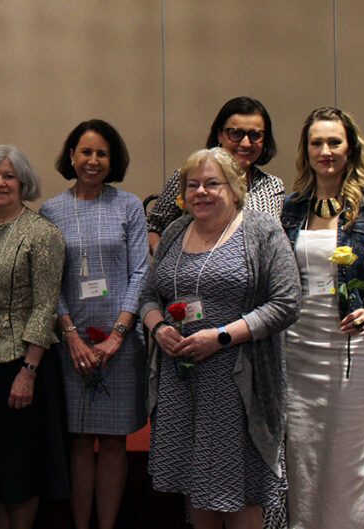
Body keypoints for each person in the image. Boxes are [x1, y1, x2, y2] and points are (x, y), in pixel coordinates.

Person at [139, 148, 299, 529]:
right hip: (182, 383)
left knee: (239, 494)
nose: (201, 192)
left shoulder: (261, 230)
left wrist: (222, 337)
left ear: (235, 187)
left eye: (213, 183)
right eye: (192, 185)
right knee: (197, 489)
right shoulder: (177, 231)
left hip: (238, 385)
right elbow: (148, 296)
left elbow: (287, 302)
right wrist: (159, 328)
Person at [281, 107, 364, 529]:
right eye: (316, 142)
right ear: (306, 150)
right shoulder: (291, 209)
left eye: (334, 141)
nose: (325, 151)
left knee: (348, 453)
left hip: (353, 348)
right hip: (297, 348)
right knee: (302, 453)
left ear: (350, 147)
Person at [39, 120, 149, 529]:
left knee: (117, 442)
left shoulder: (129, 205)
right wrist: (70, 337)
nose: (93, 160)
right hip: (74, 344)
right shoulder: (51, 210)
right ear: (71, 156)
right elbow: (49, 280)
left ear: (112, 160)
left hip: (121, 345)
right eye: (85, 152)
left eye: (102, 153)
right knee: (81, 441)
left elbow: (140, 272)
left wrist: (118, 335)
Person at [0, 145, 69, 529]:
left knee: (20, 470)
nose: (0, 183)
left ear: (23, 183)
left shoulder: (42, 233)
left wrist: (29, 370)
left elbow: (45, 306)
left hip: (21, 367)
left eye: (8, 176)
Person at [146, 96, 284, 254]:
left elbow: (275, 244)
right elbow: (153, 227)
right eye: (236, 133)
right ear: (219, 135)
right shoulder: (189, 177)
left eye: (255, 135)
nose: (246, 143)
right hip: (196, 273)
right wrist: (166, 261)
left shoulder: (272, 185)